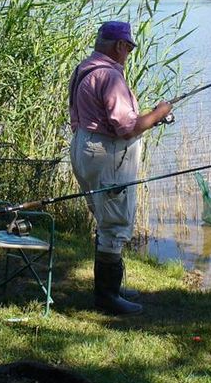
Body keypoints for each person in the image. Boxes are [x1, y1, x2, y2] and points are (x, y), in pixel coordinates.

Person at [68, 20, 173, 315]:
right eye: (128, 47)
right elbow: (126, 128)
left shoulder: (83, 69)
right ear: (118, 46)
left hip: (83, 147)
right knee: (114, 221)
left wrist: (151, 117)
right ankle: (106, 297)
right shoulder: (110, 77)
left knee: (105, 219)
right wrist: (158, 113)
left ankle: (112, 289)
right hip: (107, 155)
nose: (128, 53)